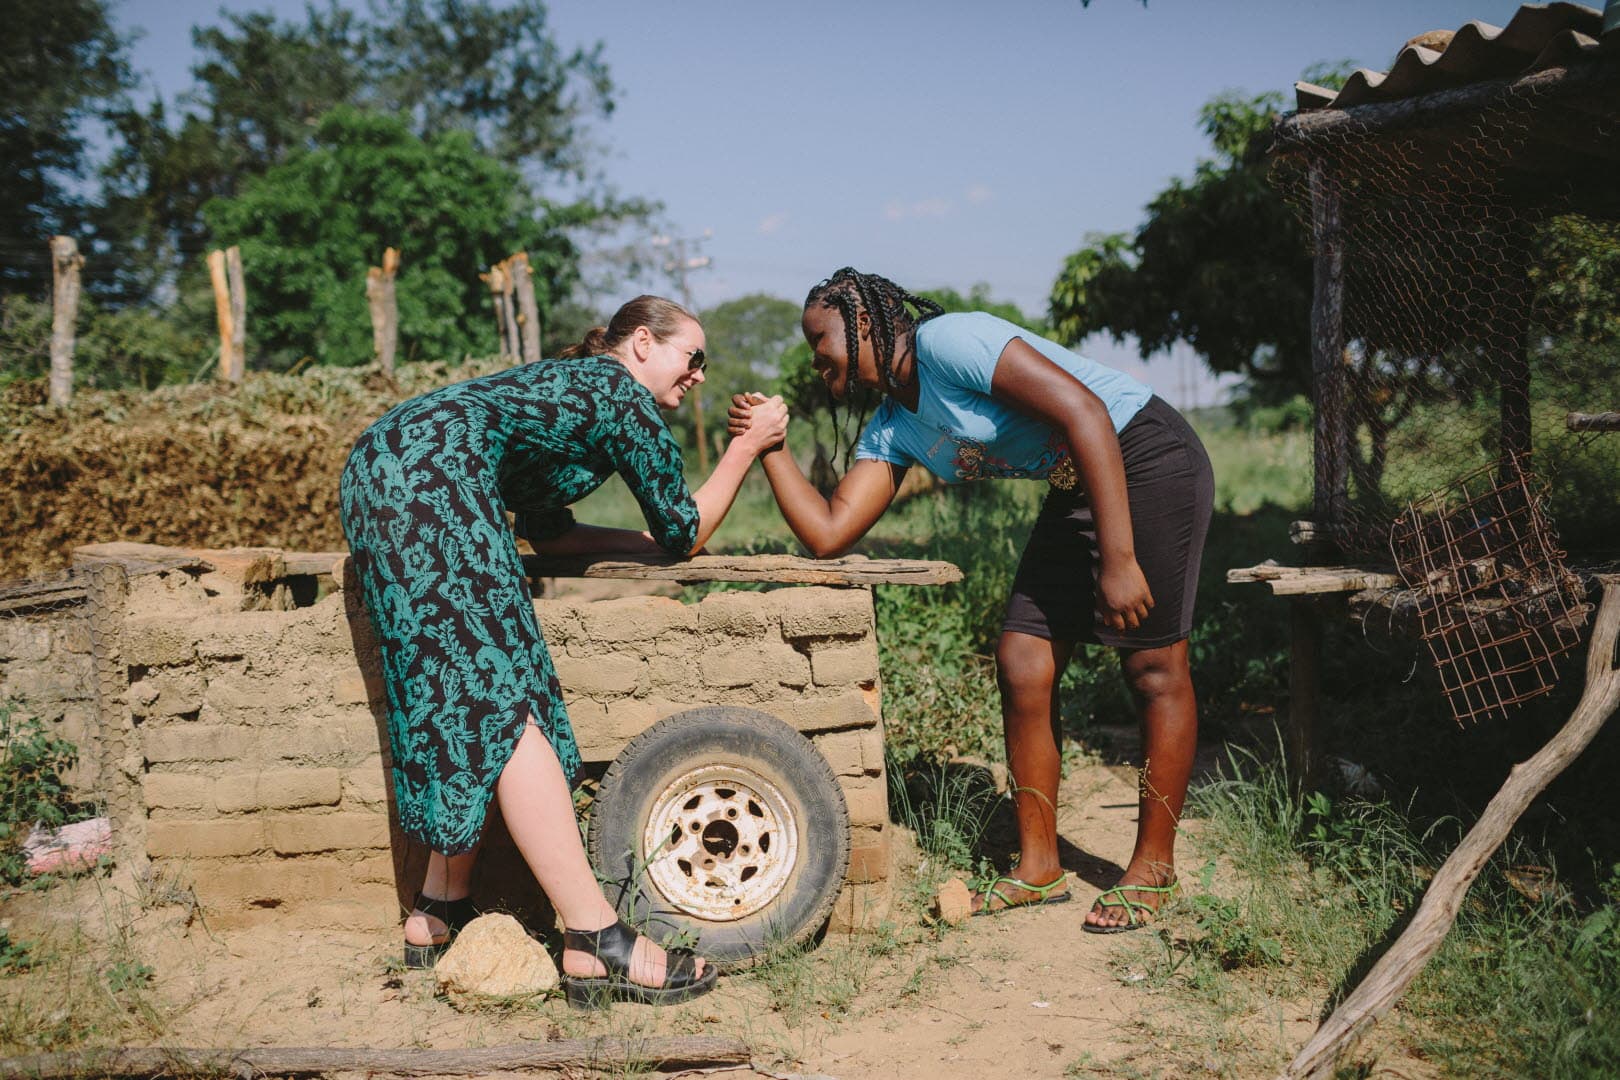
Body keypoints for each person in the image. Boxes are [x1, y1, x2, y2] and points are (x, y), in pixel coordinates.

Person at [729, 269, 1213, 932]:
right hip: (1080, 480)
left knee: (1152, 666)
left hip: (1141, 453)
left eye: (822, 345)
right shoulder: (894, 424)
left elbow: (1086, 412)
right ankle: (1039, 868)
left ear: (864, 323)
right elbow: (829, 531)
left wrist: (1120, 560)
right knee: (1022, 658)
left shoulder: (951, 342)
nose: (817, 364)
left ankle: (1153, 868)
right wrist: (769, 446)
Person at [341, 295, 788, 1004]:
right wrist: (748, 445)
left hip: (384, 468)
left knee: (469, 693)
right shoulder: (618, 392)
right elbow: (682, 525)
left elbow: (553, 535)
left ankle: (437, 910)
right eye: (690, 356)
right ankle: (595, 936)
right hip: (434, 484)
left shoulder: (568, 395)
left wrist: (648, 547)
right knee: (503, 697)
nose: (699, 373)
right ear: (641, 343)